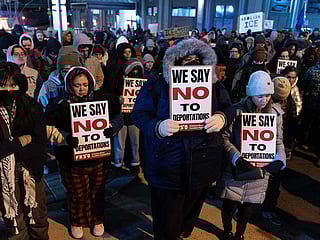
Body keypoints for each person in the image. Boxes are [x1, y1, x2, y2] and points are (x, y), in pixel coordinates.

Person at [131, 38, 232, 240]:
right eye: (186, 60)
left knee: (190, 212)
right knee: (166, 218)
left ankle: (181, 230)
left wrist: (223, 118)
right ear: (175, 62)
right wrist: (157, 127)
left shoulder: (215, 85)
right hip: (167, 162)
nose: (192, 65)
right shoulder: (158, 83)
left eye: (197, 60)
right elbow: (139, 114)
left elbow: (228, 107)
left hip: (203, 161)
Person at [45, 66, 123, 239]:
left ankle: (97, 219)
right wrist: (66, 138)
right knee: (77, 193)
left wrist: (112, 128)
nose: (82, 88)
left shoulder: (103, 100)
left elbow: (119, 117)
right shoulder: (59, 105)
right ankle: (77, 221)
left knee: (98, 191)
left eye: (85, 84)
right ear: (69, 86)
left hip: (99, 158)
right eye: (77, 85)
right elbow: (48, 127)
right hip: (70, 159)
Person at [216, 71, 286, 240]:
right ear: (251, 93)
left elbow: (278, 141)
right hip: (235, 171)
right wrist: (236, 158)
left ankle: (240, 234)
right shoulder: (235, 111)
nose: (265, 99)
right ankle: (227, 231)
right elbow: (224, 138)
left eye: (268, 95)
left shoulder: (274, 116)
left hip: (259, 173)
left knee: (248, 208)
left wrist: (279, 160)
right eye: (260, 95)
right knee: (229, 204)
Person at [0, 62, 49, 240]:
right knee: (13, 218)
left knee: (37, 216)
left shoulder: (32, 107)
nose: (8, 90)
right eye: (3, 85)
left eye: (13, 85)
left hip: (31, 169)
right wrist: (20, 142)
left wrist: (9, 151)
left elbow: (39, 142)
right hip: (4, 176)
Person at [261, 76, 291, 226]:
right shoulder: (272, 111)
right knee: (266, 184)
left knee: (270, 184)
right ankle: (264, 211)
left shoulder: (274, 109)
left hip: (271, 152)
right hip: (266, 152)